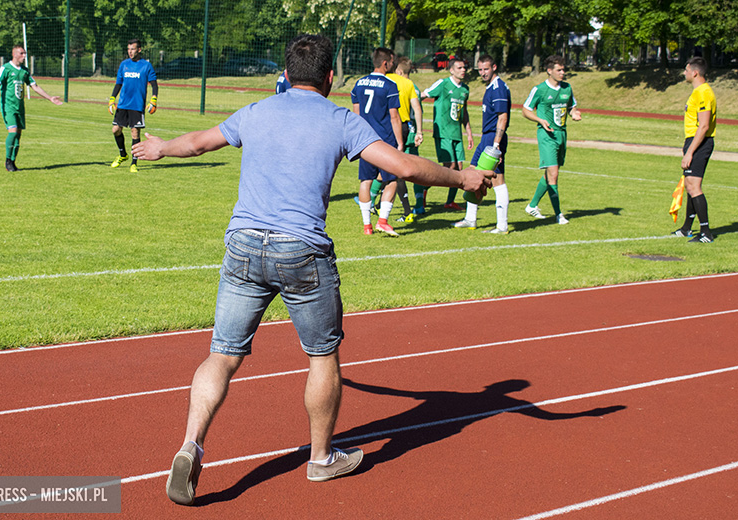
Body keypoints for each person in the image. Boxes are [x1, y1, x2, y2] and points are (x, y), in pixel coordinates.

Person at [131, 33, 493, 506]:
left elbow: (199, 143)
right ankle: (321, 459)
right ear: (328, 78)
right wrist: (462, 177)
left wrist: (160, 148)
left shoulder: (258, 111)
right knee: (322, 357)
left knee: (222, 354)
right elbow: (403, 168)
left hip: (243, 246)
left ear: (285, 74)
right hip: (301, 252)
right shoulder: (344, 119)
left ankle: (191, 443)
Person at [455, 54, 511, 233]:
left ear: (494, 67)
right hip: (485, 138)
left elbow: (503, 117)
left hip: (493, 139)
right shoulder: (490, 88)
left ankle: (502, 225)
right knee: (472, 173)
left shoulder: (498, 88)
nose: (483, 73)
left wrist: (496, 145)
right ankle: (470, 218)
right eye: (480, 70)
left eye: (486, 69)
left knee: (498, 180)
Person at [351, 47, 404, 236]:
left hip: (365, 139)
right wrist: (400, 143)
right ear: (385, 63)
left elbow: (356, 114)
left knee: (365, 180)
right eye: (391, 61)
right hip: (384, 140)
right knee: (392, 180)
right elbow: (394, 116)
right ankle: (383, 220)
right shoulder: (389, 85)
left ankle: (367, 226)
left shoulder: (358, 83)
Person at [521, 55, 581, 225]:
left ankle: (532, 206)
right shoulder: (539, 90)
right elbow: (525, 110)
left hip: (562, 135)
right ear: (549, 71)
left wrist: (574, 113)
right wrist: (539, 120)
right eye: (559, 70)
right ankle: (559, 215)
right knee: (553, 175)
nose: (563, 73)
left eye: (564, 70)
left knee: (552, 173)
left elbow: (572, 106)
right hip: (547, 136)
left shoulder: (567, 89)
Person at [0, 45, 63, 172]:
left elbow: (35, 86)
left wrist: (50, 98)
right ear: (14, 54)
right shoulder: (6, 68)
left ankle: (13, 162)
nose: (24, 56)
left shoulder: (24, 70)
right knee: (13, 132)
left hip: (20, 107)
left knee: (18, 136)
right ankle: (8, 160)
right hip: (8, 106)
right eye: (22, 53)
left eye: (25, 53)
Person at [421, 57, 474, 211]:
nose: (463, 70)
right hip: (443, 133)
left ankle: (450, 201)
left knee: (458, 169)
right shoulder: (443, 84)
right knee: (449, 168)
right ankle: (424, 188)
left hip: (457, 134)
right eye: (459, 67)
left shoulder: (465, 89)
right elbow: (423, 95)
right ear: (451, 70)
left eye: (464, 67)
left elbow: (464, 112)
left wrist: (469, 133)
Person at [672, 56, 716, 243]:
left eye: (686, 69)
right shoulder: (697, 92)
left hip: (700, 142)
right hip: (693, 141)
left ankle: (706, 232)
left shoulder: (703, 93)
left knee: (694, 187)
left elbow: (704, 125)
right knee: (690, 185)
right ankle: (686, 228)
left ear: (695, 72)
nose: (684, 73)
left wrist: (690, 152)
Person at [108, 39, 158, 173]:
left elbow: (154, 84)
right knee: (116, 130)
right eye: (129, 49)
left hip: (137, 105)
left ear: (139, 50)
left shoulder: (146, 66)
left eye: (133, 49)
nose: (130, 52)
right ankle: (123, 154)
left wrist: (153, 99)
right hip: (123, 104)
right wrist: (112, 99)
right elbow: (118, 83)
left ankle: (134, 163)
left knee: (135, 132)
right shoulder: (124, 65)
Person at [387, 56, 424, 222]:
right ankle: (419, 203)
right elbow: (418, 109)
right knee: (411, 169)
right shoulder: (413, 86)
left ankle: (371, 200)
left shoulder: (395, 83)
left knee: (395, 170)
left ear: (399, 71)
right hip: (410, 130)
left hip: (400, 129)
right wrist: (419, 131)